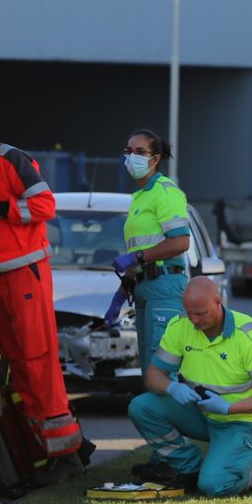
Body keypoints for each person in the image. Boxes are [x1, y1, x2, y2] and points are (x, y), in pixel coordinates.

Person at [0, 106, 88, 482]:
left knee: (37, 360)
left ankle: (67, 454)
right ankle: (45, 450)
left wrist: (2, 207)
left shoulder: (11, 159)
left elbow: (46, 205)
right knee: (16, 361)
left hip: (22, 272)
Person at [127, 276, 252, 497]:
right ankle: (189, 468)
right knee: (141, 407)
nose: (193, 320)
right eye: (188, 312)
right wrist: (172, 388)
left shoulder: (249, 335)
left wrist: (228, 408)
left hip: (242, 421)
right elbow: (154, 375)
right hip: (202, 414)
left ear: (218, 301)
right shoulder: (180, 325)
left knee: (215, 486)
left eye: (200, 313)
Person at [103, 129, 190, 369]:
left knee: (160, 370)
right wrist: (120, 296)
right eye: (129, 151)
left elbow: (181, 242)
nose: (133, 157)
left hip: (163, 288)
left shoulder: (164, 191)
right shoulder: (140, 197)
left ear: (156, 158)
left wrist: (137, 256)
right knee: (149, 370)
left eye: (141, 152)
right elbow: (139, 256)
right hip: (143, 288)